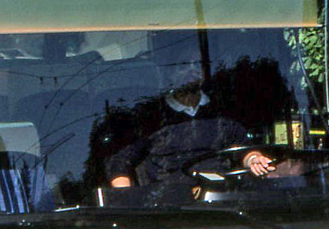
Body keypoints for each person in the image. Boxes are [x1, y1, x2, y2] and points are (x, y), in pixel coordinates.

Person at [106, 64, 284, 202]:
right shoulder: (149, 117)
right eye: (183, 65)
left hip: (223, 203)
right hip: (168, 207)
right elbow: (120, 161)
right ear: (169, 73)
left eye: (195, 65)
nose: (191, 70)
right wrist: (125, 200)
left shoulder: (221, 110)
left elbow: (244, 148)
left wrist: (254, 159)